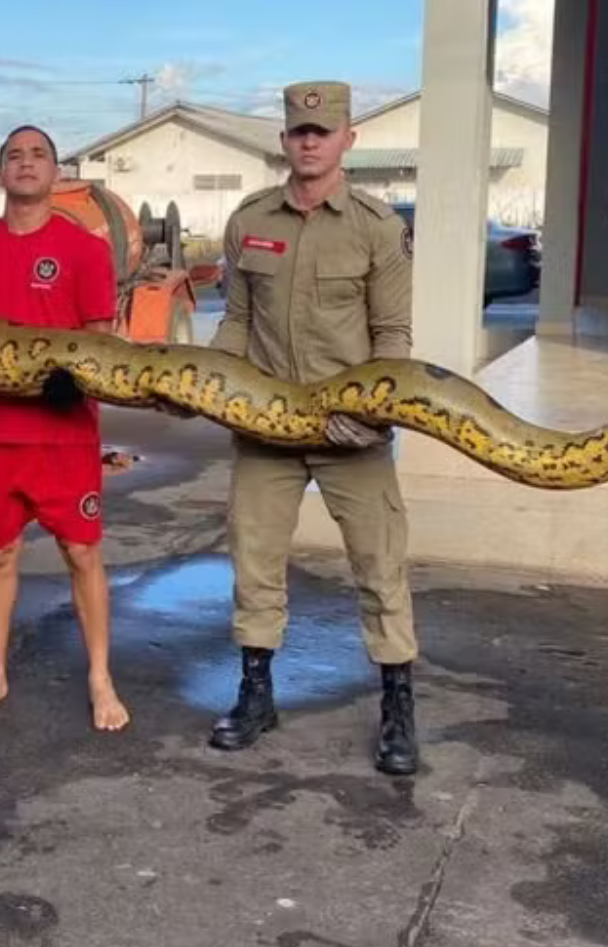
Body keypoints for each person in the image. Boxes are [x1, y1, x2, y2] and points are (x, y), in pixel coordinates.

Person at [204, 81, 419, 773]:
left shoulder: (376, 227)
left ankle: (397, 705)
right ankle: (256, 693)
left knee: (380, 564)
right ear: (285, 138)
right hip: (266, 428)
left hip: (351, 432)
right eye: (299, 130)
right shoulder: (248, 221)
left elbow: (391, 338)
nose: (309, 141)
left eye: (322, 131)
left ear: (347, 139)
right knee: (254, 561)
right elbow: (236, 320)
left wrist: (373, 413)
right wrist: (208, 385)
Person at [0, 125, 128, 732]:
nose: (26, 163)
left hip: (65, 431)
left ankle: (101, 678)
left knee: (82, 552)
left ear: (56, 172)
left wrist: (77, 375)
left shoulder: (84, 250)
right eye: (14, 156)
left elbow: (102, 340)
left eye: (38, 154)